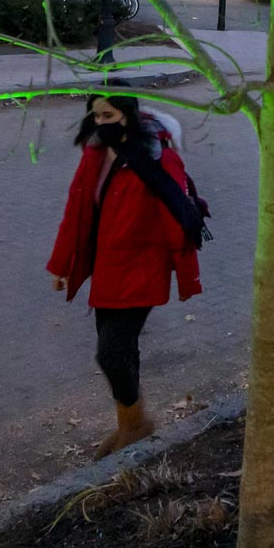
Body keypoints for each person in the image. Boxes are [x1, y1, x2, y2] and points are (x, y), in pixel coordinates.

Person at [46, 93, 202, 457]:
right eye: (96, 114)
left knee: (112, 353)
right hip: (107, 268)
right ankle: (130, 425)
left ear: (127, 114)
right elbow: (78, 209)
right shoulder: (96, 152)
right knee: (119, 350)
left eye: (109, 114)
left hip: (142, 268)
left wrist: (187, 276)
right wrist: (62, 265)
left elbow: (180, 214)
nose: (101, 121)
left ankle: (135, 425)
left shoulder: (156, 156)